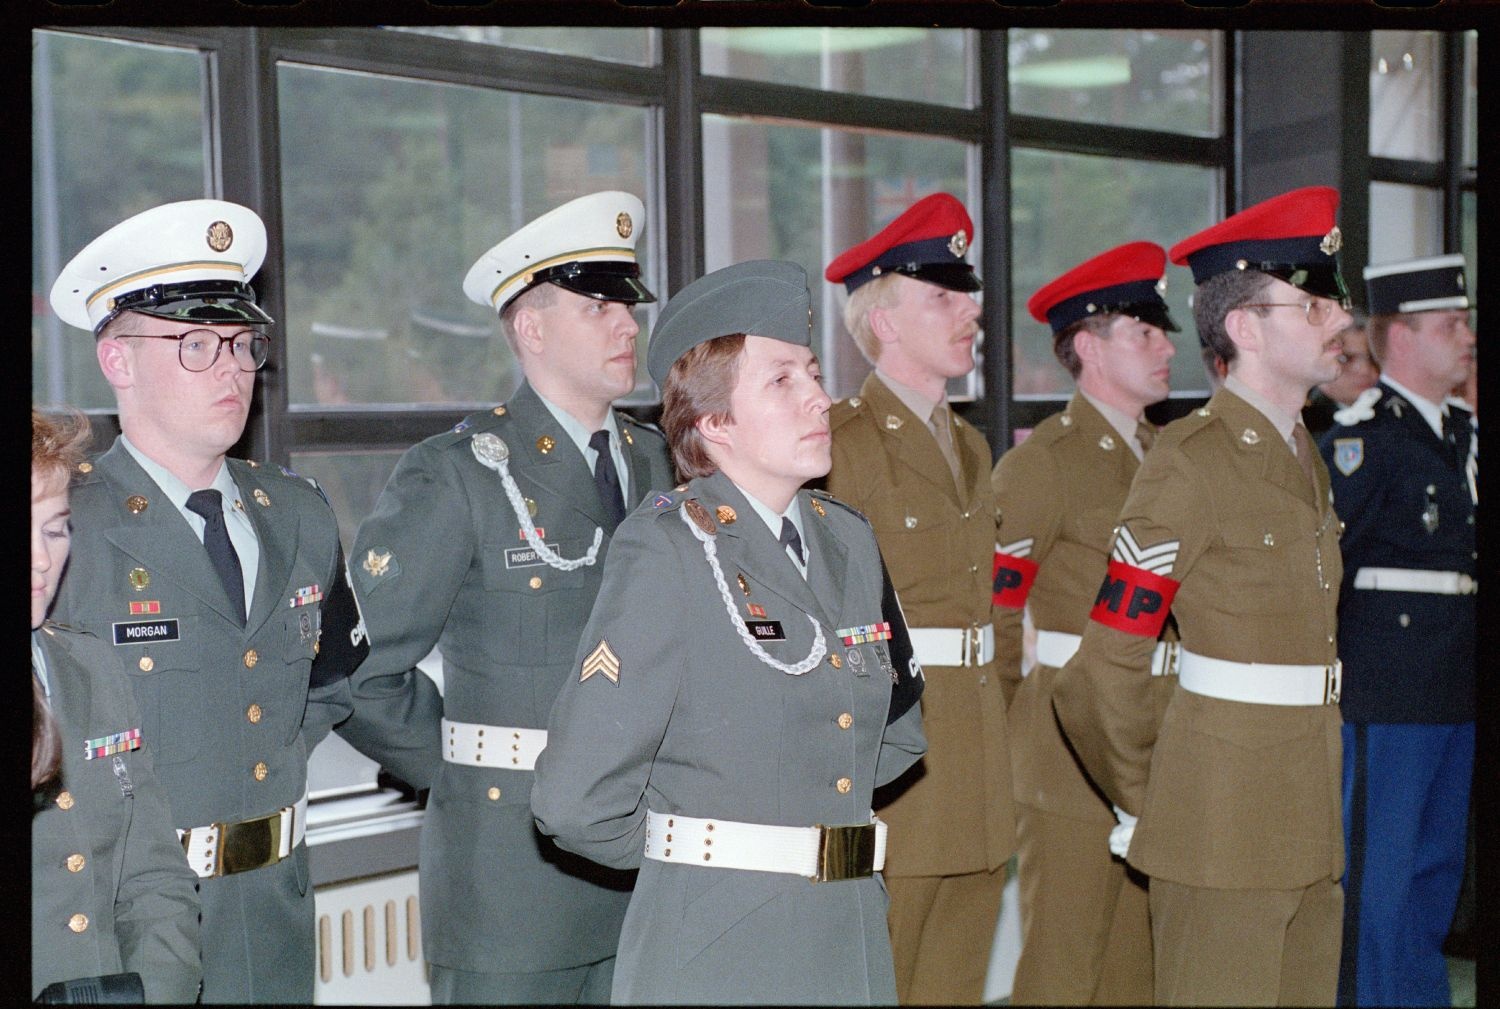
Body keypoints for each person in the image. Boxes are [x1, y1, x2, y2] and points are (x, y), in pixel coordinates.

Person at [46, 199, 424, 1003]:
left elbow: (325, 690)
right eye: (195, 344)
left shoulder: (296, 512)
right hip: (132, 933)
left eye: (244, 342)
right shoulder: (67, 526)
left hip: (276, 914)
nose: (232, 368)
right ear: (117, 360)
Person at [532, 260, 928, 1005]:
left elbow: (900, 732)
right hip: (721, 948)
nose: (820, 397)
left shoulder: (848, 540)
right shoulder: (670, 549)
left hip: (851, 938)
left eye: (813, 373)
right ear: (713, 423)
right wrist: (703, 853)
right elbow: (576, 798)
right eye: (783, 380)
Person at [344, 191, 674, 1003]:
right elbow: (359, 671)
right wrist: (466, 770)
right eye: (599, 307)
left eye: (627, 306)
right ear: (531, 328)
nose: (628, 326)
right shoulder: (458, 473)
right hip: (511, 882)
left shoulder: (661, 463)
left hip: (648, 866)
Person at [1052, 186, 1352, 1006]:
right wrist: (1158, 800)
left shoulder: (1304, 453)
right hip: (1219, 832)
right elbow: (1099, 669)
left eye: (1335, 298)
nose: (1338, 318)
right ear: (1247, 326)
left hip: (1309, 819)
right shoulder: (1190, 459)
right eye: (1314, 302)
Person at [821, 192, 1015, 1005]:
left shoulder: (969, 444)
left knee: (956, 986)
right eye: (942, 296)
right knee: (879, 981)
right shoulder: (842, 443)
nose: (970, 310)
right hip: (892, 771)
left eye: (965, 293)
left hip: (972, 763)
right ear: (887, 322)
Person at [991, 241, 1180, 1005]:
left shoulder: (1171, 455)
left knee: (1140, 964)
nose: (1168, 346)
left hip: (1160, 725)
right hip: (1067, 740)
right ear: (1089, 345)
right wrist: (1014, 730)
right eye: (1146, 332)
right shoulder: (1045, 462)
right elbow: (997, 605)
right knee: (1064, 963)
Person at [1317, 254, 1476, 1007]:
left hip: (1455, 680)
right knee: (1378, 880)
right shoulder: (1363, 440)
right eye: (1452, 324)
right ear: (1401, 337)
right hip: (1388, 685)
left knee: (1435, 874)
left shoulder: (1464, 435)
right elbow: (1325, 568)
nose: (1468, 337)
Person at [32, 407, 202, 1004]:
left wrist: (157, 992)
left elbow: (153, 877)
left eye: (54, 530)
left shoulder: (88, 666)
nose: (42, 560)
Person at [1304, 310, 1376, 437]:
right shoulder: (1304, 424)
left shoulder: (1400, 414)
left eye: (1373, 357)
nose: (1365, 370)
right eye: (1345, 359)